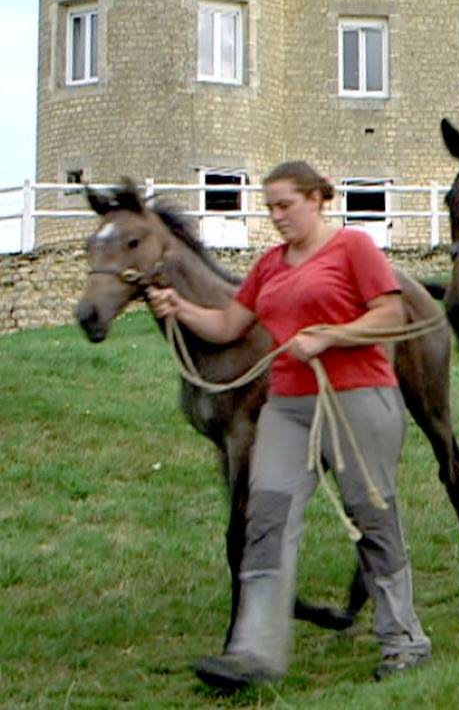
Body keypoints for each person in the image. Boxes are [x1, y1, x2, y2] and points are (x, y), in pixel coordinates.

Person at [150, 161, 432, 689]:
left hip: (357, 399)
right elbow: (228, 324)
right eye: (270, 207)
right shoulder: (269, 266)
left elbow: (390, 316)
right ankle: (255, 653)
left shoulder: (353, 249)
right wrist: (179, 309)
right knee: (266, 517)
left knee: (371, 518)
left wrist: (330, 336)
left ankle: (404, 640)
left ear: (316, 199)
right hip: (288, 406)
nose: (277, 216)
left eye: (286, 205)